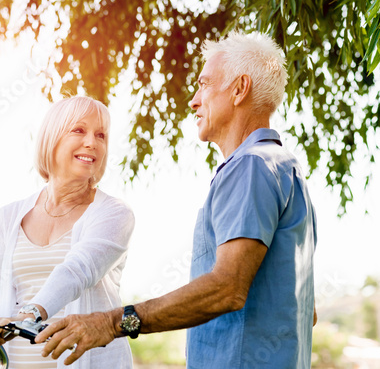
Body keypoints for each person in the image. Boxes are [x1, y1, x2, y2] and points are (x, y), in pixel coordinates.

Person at [35, 31, 318, 369]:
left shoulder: (250, 167)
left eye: (204, 85)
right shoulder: (285, 169)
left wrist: (112, 323)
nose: (194, 100)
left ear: (239, 89)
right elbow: (305, 309)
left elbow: (227, 288)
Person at [0, 96, 135, 369]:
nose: (92, 142)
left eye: (101, 135)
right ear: (52, 138)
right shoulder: (9, 218)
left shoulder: (114, 213)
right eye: (79, 130)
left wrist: (27, 315)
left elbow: (77, 270)